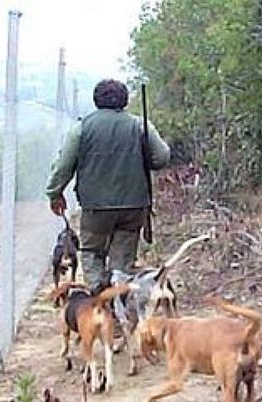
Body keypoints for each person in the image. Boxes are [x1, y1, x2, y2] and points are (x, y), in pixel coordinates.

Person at [45, 79, 171, 287]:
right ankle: (118, 302)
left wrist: (54, 193)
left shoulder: (81, 129)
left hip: (95, 208)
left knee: (93, 255)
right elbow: (161, 158)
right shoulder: (140, 125)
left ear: (96, 101)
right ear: (125, 101)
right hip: (133, 206)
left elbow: (63, 166)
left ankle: (98, 304)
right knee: (122, 263)